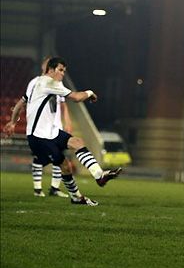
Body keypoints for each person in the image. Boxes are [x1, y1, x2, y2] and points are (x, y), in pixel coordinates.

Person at [4, 57, 122, 205]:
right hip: (39, 137)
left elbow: (21, 102)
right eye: (60, 70)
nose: (62, 74)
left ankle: (99, 176)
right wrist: (90, 92)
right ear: (51, 70)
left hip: (51, 132)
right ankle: (75, 197)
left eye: (64, 71)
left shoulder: (36, 83)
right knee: (64, 165)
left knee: (77, 142)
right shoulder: (49, 83)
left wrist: (13, 122)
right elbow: (77, 98)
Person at [4, 56, 72, 198]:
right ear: (45, 67)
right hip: (40, 128)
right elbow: (25, 102)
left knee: (59, 157)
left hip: (55, 126)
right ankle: (37, 188)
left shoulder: (58, 83)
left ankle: (55, 188)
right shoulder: (35, 83)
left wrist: (67, 122)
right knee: (39, 157)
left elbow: (63, 104)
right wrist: (14, 122)